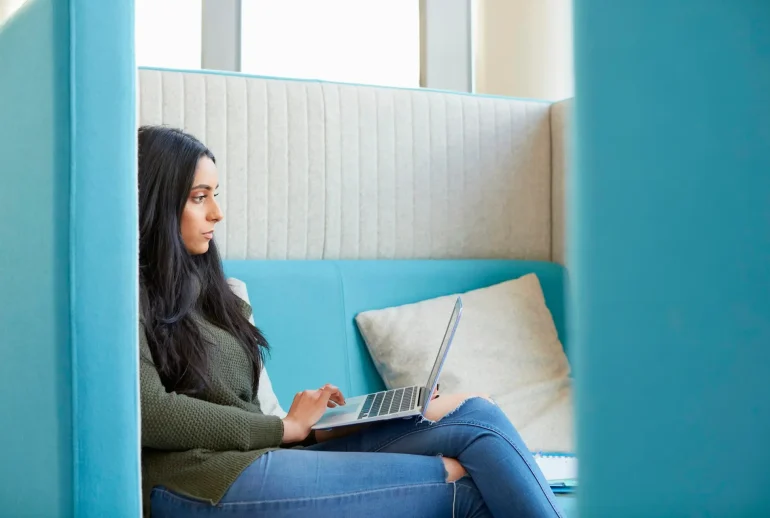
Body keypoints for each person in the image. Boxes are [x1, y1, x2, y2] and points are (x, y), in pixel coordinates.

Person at [137, 125, 565, 518]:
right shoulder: (126, 296)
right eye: (199, 197)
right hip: (197, 479)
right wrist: (285, 427)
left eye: (216, 194)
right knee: (463, 486)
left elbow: (245, 413)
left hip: (263, 452)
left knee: (477, 416)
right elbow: (153, 413)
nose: (217, 213)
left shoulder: (215, 292)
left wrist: (317, 425)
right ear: (158, 203)